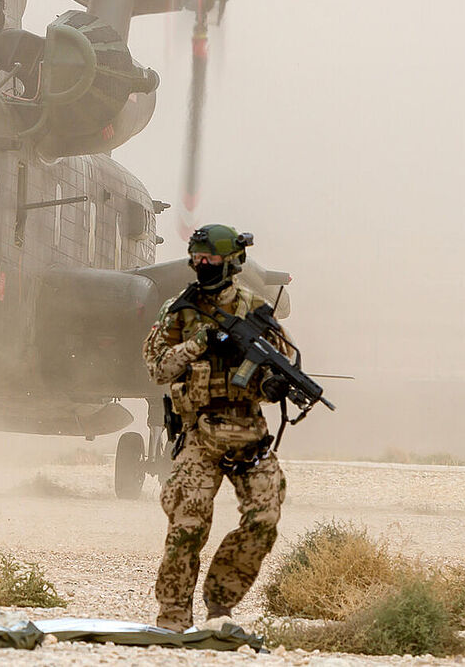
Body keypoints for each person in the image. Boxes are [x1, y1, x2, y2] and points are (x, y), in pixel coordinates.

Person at [142, 224, 293, 631]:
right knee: (187, 524)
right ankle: (173, 618)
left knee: (264, 518)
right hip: (199, 433)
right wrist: (199, 343)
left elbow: (282, 363)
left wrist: (270, 383)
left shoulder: (256, 310)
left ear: (231, 262)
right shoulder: (180, 309)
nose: (201, 264)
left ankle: (220, 604)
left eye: (209, 258)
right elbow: (157, 368)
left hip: (248, 434)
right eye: (197, 257)